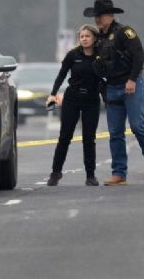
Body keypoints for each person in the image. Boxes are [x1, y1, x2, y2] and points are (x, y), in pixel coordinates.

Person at [84, 0, 144, 186]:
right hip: (111, 87)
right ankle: (119, 173)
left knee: (137, 126)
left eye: (100, 15)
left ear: (111, 16)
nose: (97, 19)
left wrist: (132, 79)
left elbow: (139, 55)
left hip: (130, 85)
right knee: (115, 132)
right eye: (96, 16)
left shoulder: (124, 32)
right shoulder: (98, 39)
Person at [46, 24, 103, 187]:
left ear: (94, 38)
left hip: (91, 99)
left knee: (89, 138)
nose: (84, 39)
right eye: (82, 36)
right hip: (72, 98)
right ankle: (55, 173)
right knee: (65, 136)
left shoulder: (100, 56)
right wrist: (53, 93)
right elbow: (61, 75)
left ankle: (90, 176)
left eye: (88, 36)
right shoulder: (72, 55)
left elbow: (107, 74)